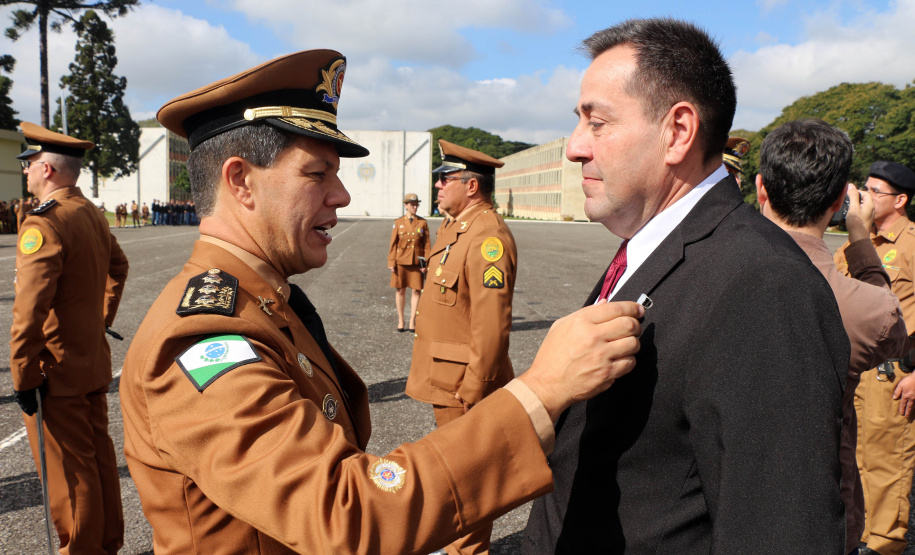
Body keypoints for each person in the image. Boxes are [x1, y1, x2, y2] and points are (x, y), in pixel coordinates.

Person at [119, 48, 644, 555]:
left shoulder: (263, 301)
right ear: (241, 182)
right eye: (317, 173)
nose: (341, 195)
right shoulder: (205, 338)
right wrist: (542, 390)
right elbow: (346, 513)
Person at [522, 18, 850, 554]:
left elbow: (781, 529)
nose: (575, 147)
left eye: (597, 122)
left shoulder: (762, 282)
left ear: (677, 131)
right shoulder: (654, 244)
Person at [756, 118, 909, 555]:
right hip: (814, 496)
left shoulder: (709, 270)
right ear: (843, 198)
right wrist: (860, 237)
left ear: (761, 188)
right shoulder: (864, 301)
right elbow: (887, 322)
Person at [10, 122, 129, 554]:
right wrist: (98, 321)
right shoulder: (89, 213)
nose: (25, 173)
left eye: (29, 165)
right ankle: (106, 544)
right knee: (98, 463)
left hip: (55, 371)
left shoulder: (45, 222)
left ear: (47, 168)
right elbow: (119, 267)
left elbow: (29, 311)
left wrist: (23, 376)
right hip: (90, 361)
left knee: (70, 478)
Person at [406, 141, 515, 555]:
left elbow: (491, 325)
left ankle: (468, 551)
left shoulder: (489, 238)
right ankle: (458, 545)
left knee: (468, 476)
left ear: (471, 186)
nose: (436, 186)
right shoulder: (456, 227)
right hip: (447, 378)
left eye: (443, 179)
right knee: (454, 471)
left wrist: (476, 387)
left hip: (464, 384)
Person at [835, 160, 915, 555]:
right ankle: (861, 540)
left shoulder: (913, 244)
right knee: (855, 462)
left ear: (900, 200)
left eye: (874, 192)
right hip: (858, 374)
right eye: (862, 189)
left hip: (897, 376)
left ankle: (885, 545)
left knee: (887, 466)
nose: (863, 197)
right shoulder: (856, 243)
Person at [388, 192, 430, 332]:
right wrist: (391, 262)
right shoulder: (398, 223)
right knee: (400, 291)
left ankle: (412, 320)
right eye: (412, 205)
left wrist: (427, 263)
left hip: (417, 262)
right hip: (401, 261)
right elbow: (393, 244)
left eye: (416, 205)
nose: (415, 207)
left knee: (416, 292)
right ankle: (401, 320)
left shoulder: (422, 222)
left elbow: (427, 245)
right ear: (405, 205)